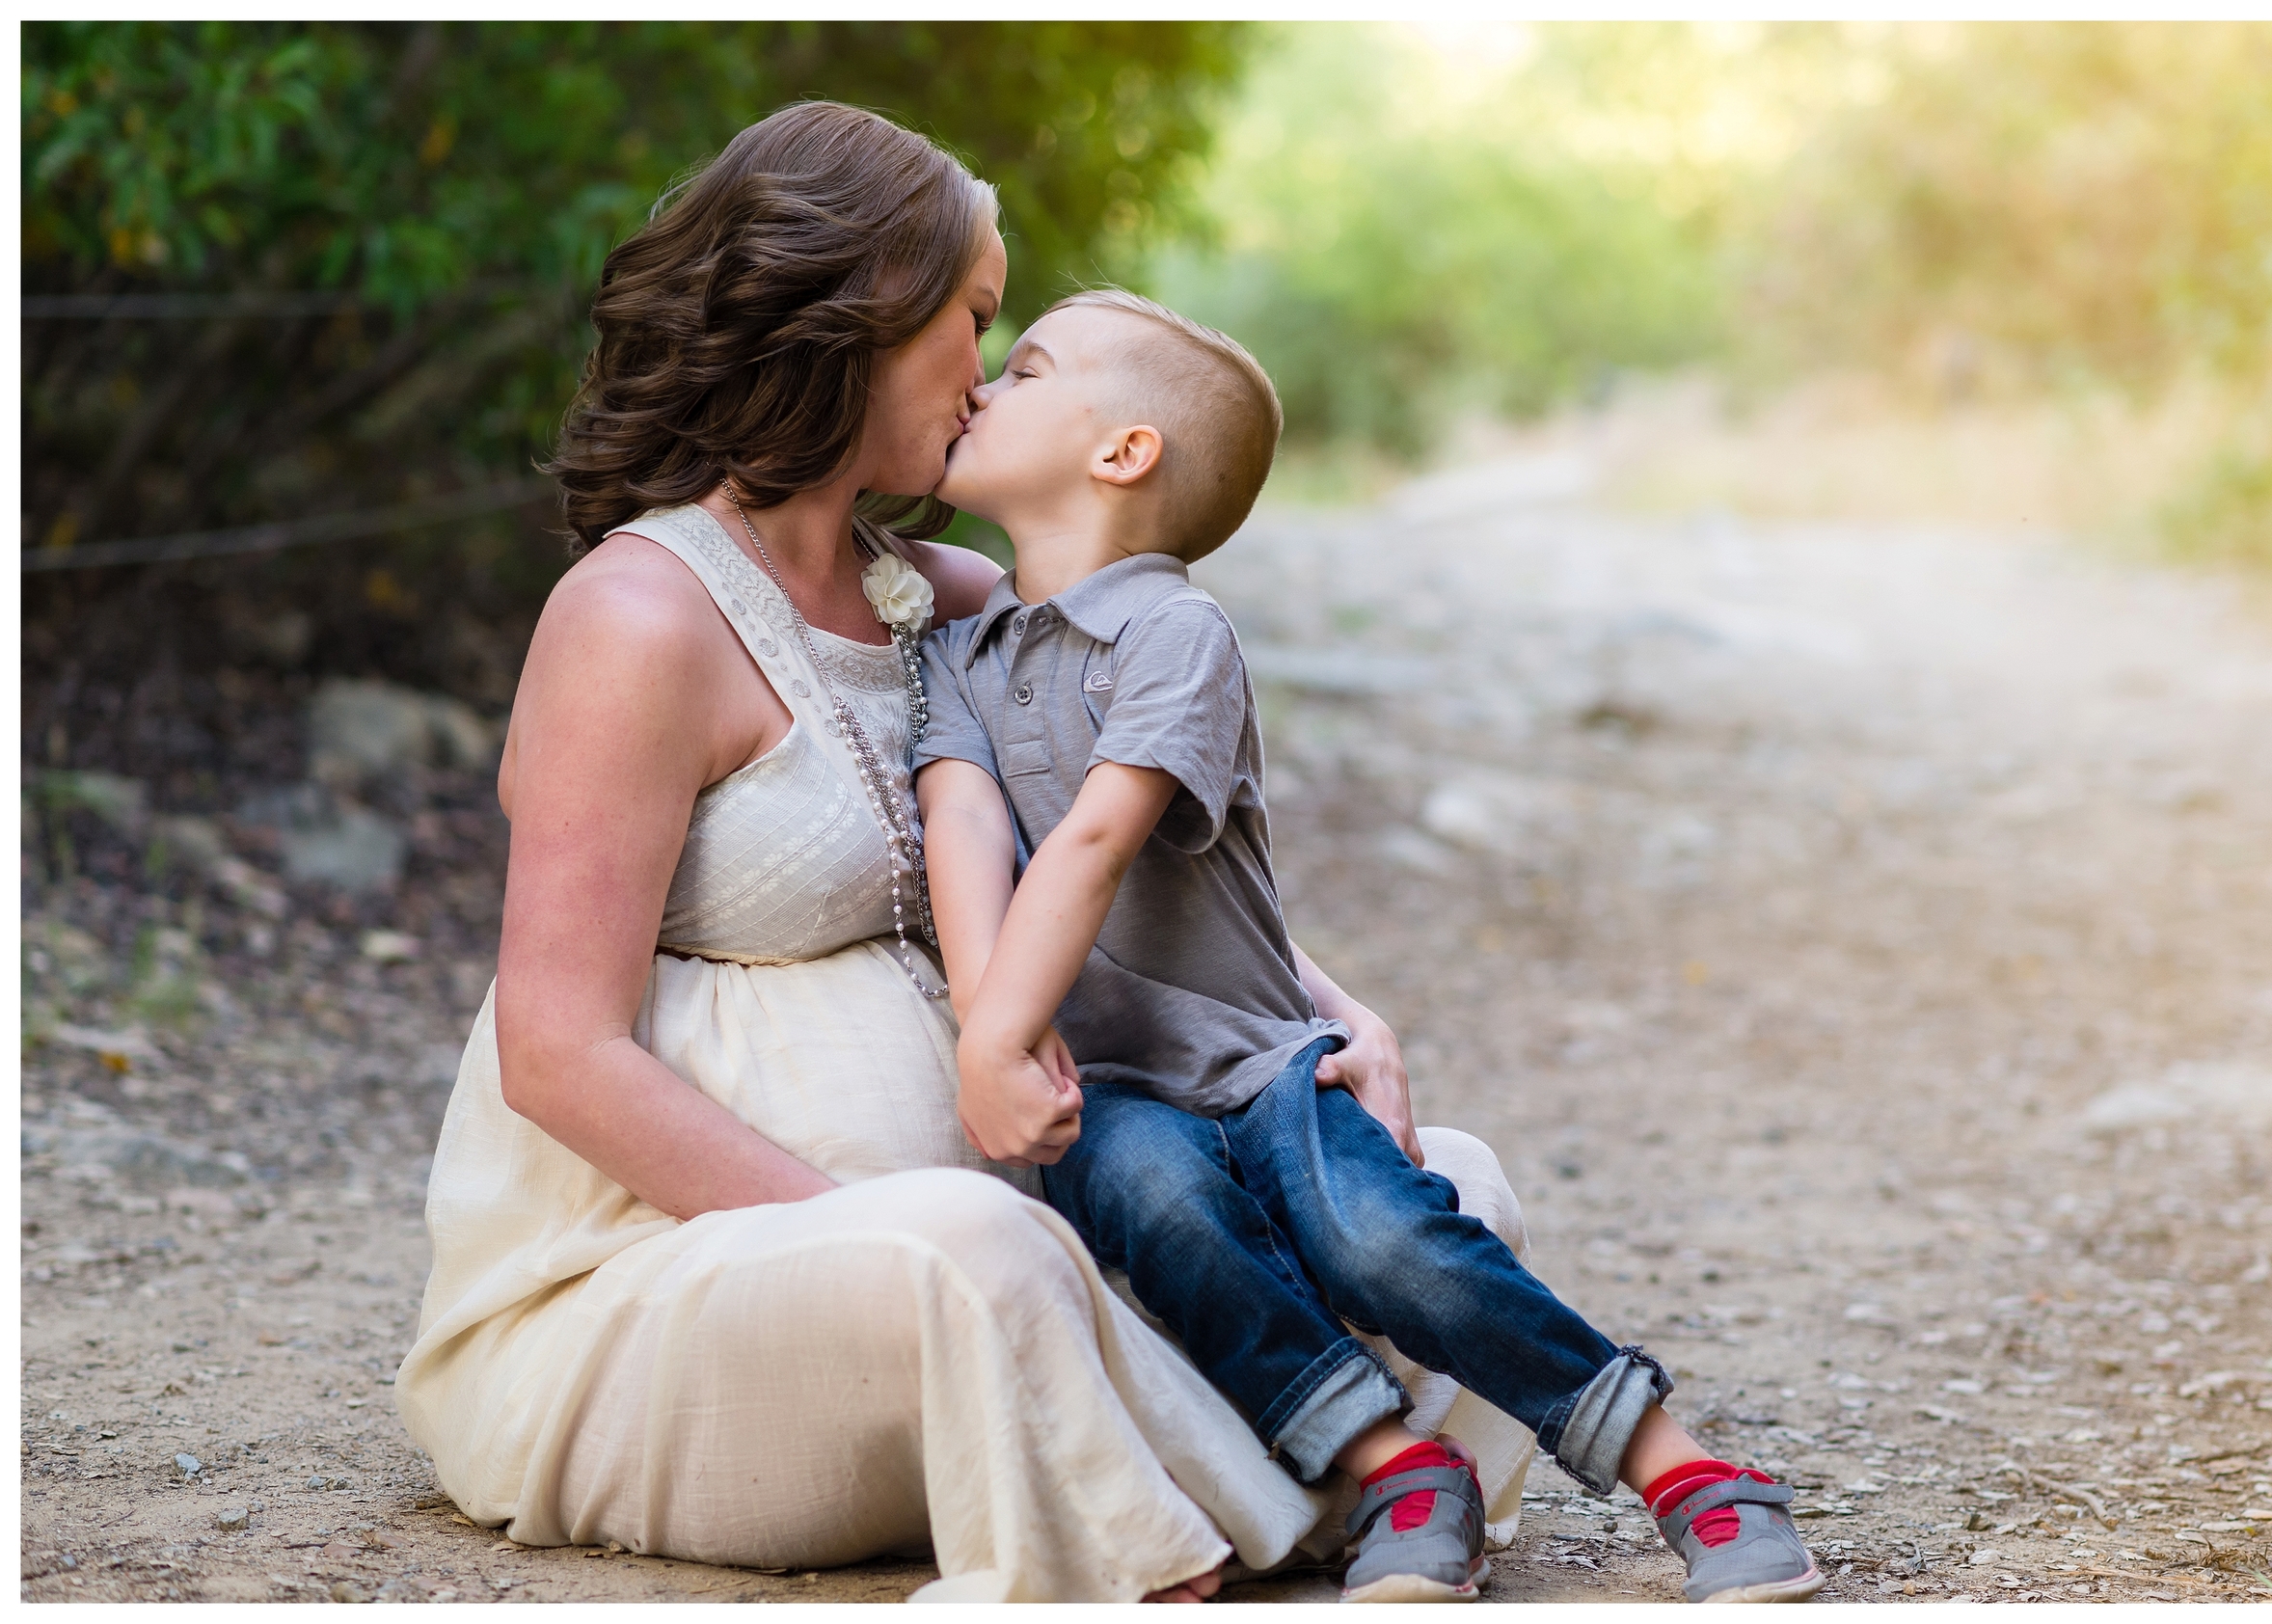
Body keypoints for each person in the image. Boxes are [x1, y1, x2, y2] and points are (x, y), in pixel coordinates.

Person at [395, 101, 1539, 1604]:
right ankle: (1241, 1466)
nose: (993, 371)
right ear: (858, 310)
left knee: (1442, 1184)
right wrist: (887, 1233)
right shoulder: (638, 621)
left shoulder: (956, 594)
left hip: (1029, 1226)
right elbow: (558, 1052)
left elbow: (1106, 857)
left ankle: (1234, 1468)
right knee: (975, 1257)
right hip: (676, 1289)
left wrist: (1330, 1010)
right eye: (978, 317)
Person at [913, 289, 1826, 1604]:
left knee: (1384, 1243)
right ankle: (1398, 1463)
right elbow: (961, 816)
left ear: (1122, 453)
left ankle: (1684, 1466)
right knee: (1163, 1210)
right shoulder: (964, 650)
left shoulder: (1179, 631)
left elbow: (1100, 836)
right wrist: (983, 1026)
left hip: (1260, 1060)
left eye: (1028, 367)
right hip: (1107, 1090)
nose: (985, 386)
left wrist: (1000, 1029)